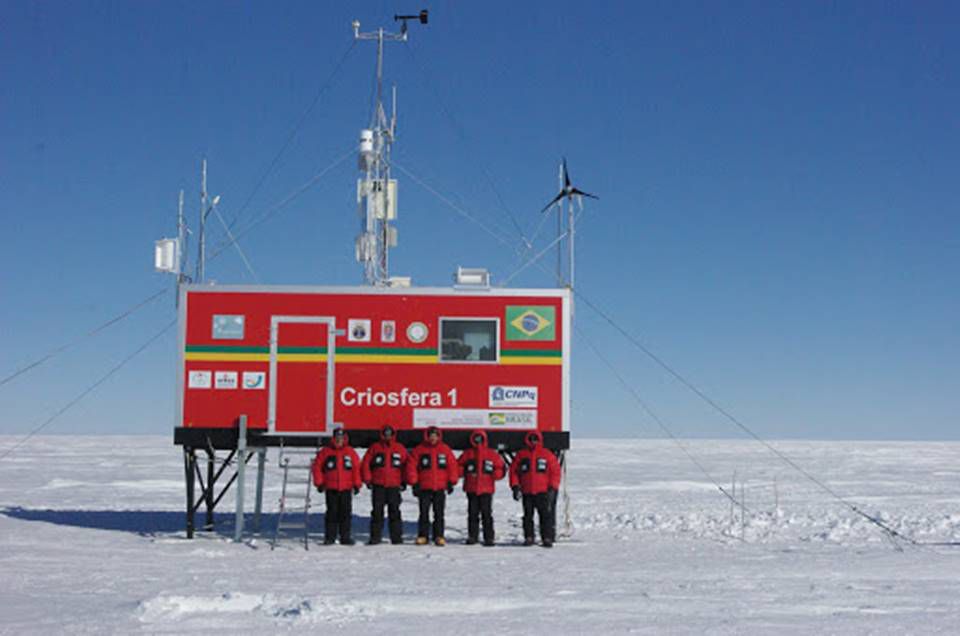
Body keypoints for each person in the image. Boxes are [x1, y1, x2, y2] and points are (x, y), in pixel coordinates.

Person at [406, 426, 459, 546]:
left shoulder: (445, 450)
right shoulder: (419, 450)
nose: (433, 438)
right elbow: (411, 466)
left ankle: (439, 536)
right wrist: (414, 482)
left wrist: (451, 481)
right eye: (431, 435)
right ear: (427, 436)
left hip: (440, 487)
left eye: (435, 435)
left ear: (439, 436)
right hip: (424, 487)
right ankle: (423, 536)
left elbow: (452, 466)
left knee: (439, 513)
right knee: (424, 513)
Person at [509, 430, 561, 547]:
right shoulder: (521, 455)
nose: (533, 441)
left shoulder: (547, 454)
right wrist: (515, 486)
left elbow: (555, 472)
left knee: (545, 516)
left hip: (543, 491)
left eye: (535, 439)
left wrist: (553, 487)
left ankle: (546, 537)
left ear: (539, 440)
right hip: (527, 491)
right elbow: (514, 471)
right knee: (527, 516)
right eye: (531, 439)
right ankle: (529, 537)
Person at [311, 428, 362, 545]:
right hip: (331, 487)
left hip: (346, 487)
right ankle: (330, 537)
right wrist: (319, 483)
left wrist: (357, 484)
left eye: (341, 438)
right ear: (333, 439)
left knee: (346, 513)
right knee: (331, 513)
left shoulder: (350, 452)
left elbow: (356, 469)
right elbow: (317, 467)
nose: (339, 440)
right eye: (337, 438)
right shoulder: (325, 452)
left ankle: (345, 537)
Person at [361, 424, 408, 545]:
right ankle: (375, 537)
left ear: (393, 435)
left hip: (394, 485)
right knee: (377, 512)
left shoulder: (400, 448)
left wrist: (404, 481)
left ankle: (396, 538)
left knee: (395, 512)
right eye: (385, 434)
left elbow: (406, 466)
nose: (387, 436)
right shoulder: (375, 448)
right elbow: (365, 464)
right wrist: (368, 479)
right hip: (378, 485)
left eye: (390, 434)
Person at [457, 429, 506, 546]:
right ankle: (472, 536)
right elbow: (458, 465)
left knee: (487, 514)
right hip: (471, 488)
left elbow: (500, 467)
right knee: (472, 514)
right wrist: (462, 472)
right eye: (476, 440)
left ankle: (489, 537)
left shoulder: (492, 454)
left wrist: (496, 475)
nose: (478, 442)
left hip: (486, 489)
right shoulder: (467, 454)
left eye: (480, 439)